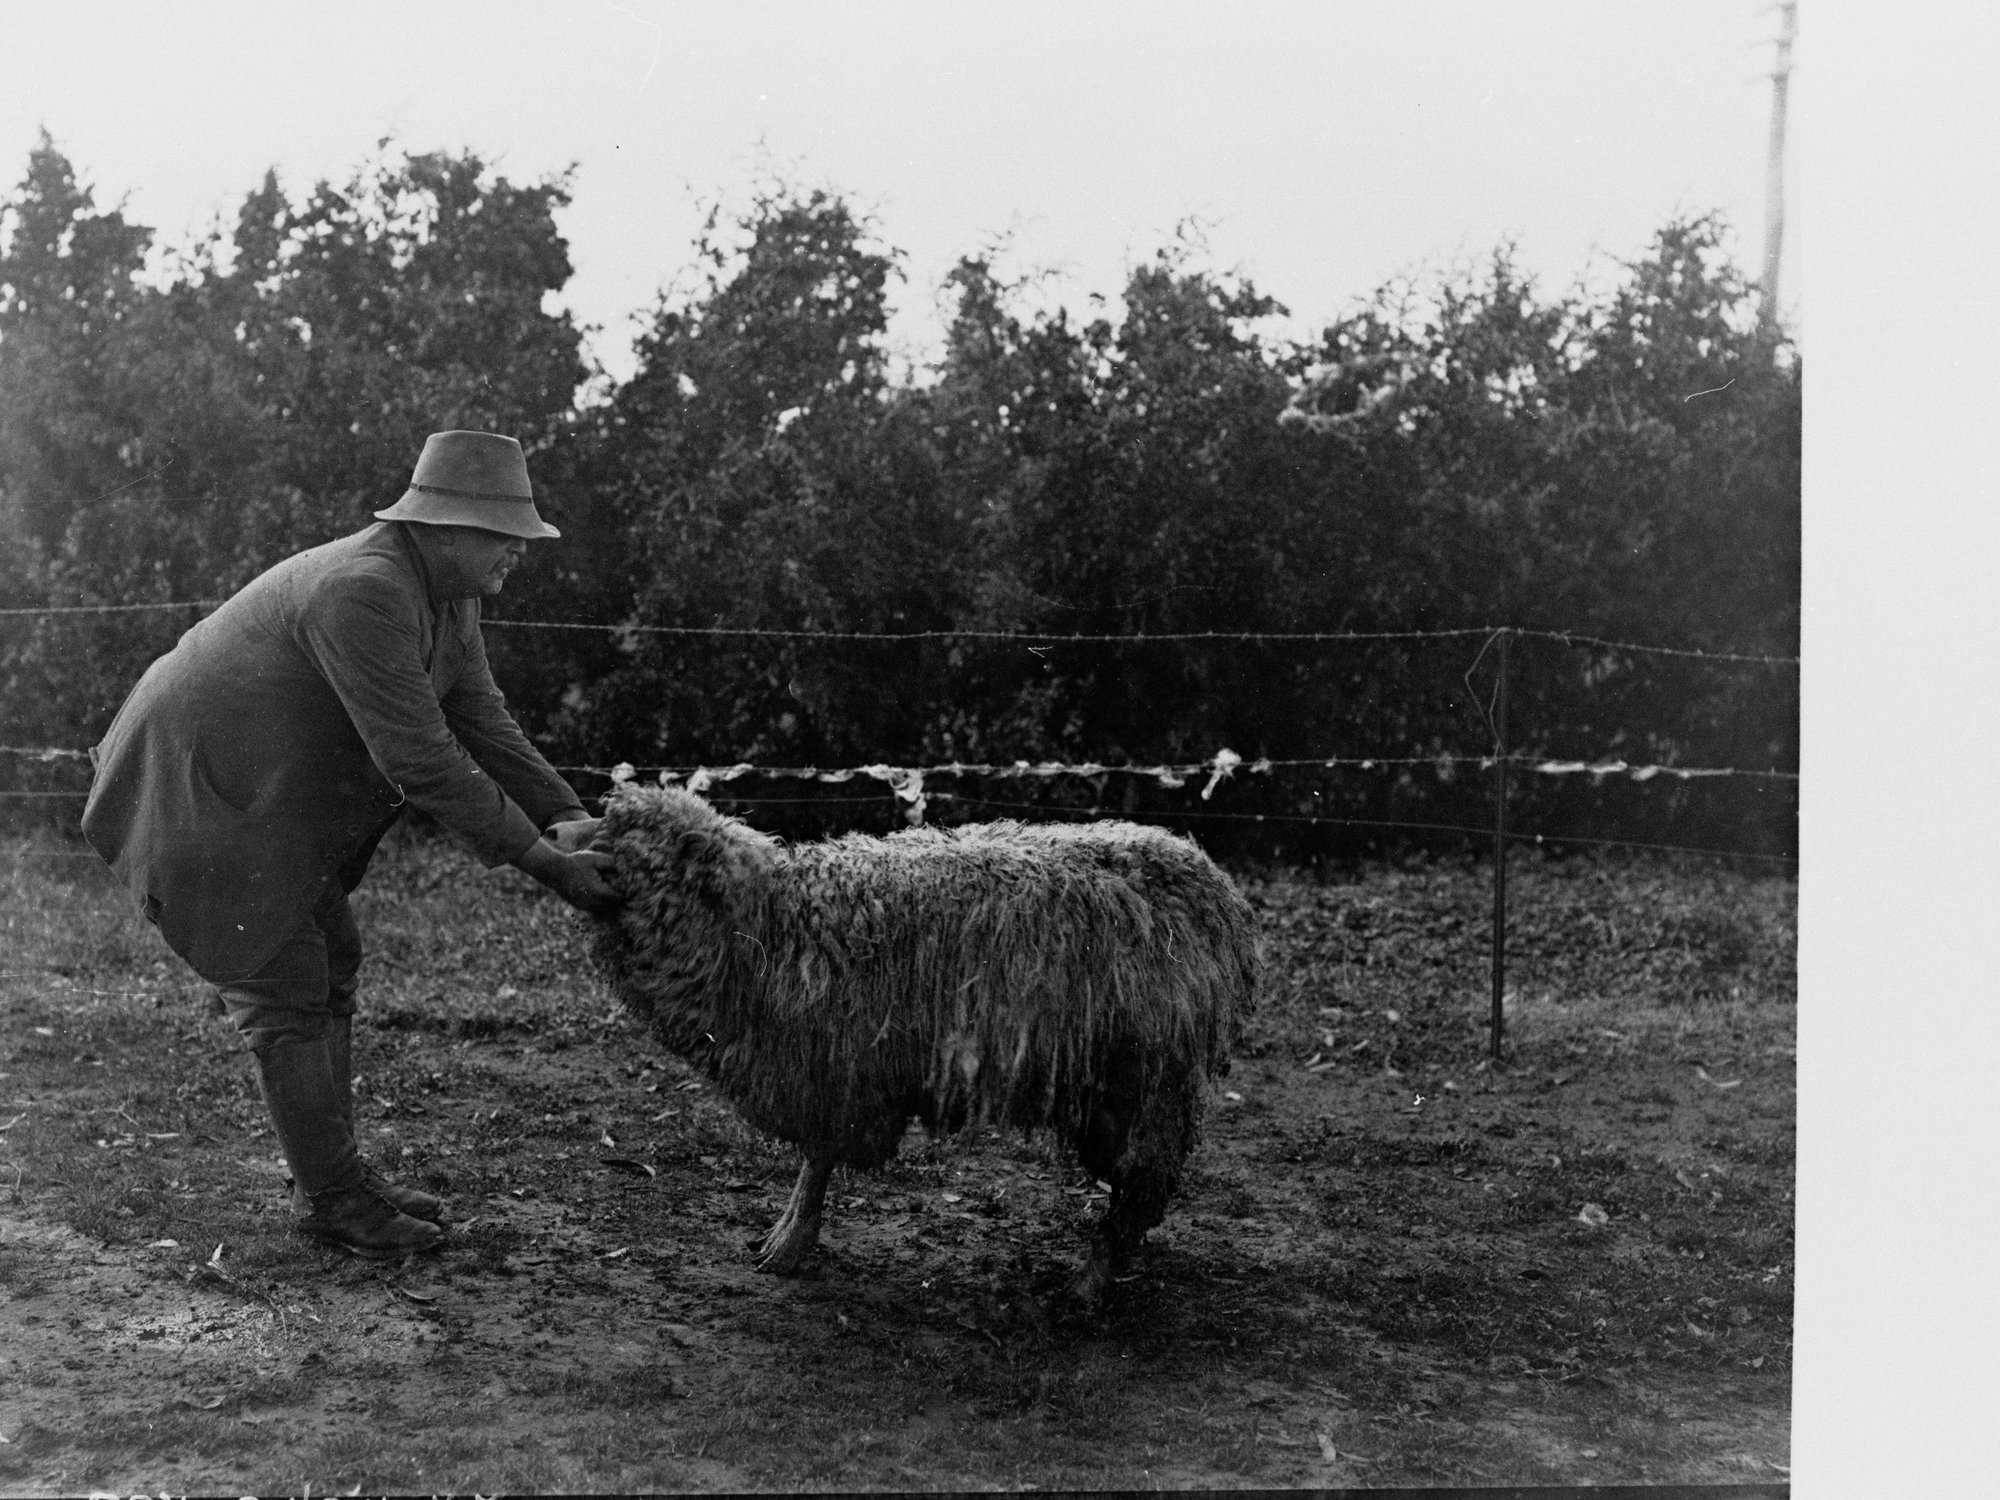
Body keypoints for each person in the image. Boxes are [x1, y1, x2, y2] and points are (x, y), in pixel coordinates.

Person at [82, 430, 615, 1259]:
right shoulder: (364, 592)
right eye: (505, 535)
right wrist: (549, 866)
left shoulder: (447, 596)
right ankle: (333, 1200)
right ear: (445, 528)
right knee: (287, 986)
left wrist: (571, 817)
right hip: (196, 797)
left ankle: (331, 1176)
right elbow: (422, 758)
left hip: (260, 804)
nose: (519, 552)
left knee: (332, 955)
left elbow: (485, 723)